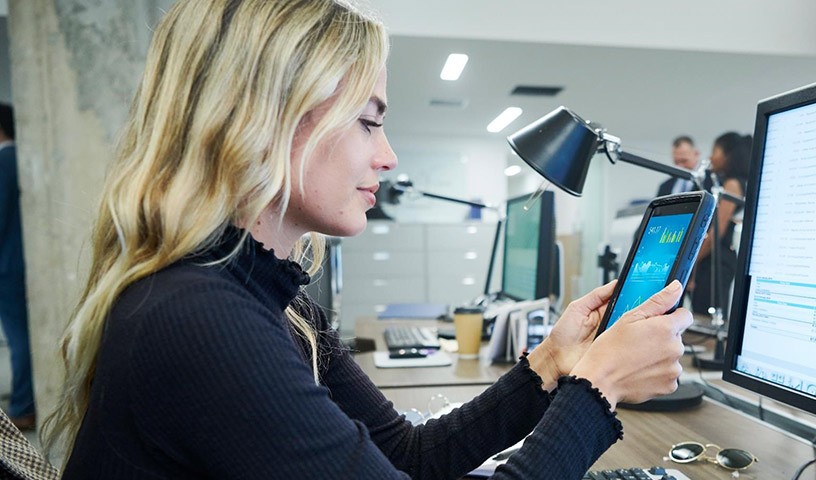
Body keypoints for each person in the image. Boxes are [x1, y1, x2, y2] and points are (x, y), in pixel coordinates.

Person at [43, 1, 691, 478]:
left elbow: (408, 456)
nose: (387, 156)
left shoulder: (278, 307)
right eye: (367, 122)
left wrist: (551, 363)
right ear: (263, 122)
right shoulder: (198, 319)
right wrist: (598, 386)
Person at [0, 103, 36, 431]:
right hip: (18, 262)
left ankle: (23, 405)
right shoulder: (18, 159)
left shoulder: (3, 161)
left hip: (5, 266)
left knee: (19, 337)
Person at [689, 132, 751, 317]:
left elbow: (717, 231)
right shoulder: (729, 183)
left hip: (716, 261)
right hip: (713, 258)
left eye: (715, 151)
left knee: (707, 318)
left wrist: (691, 262)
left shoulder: (733, 184)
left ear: (728, 155)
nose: (711, 157)